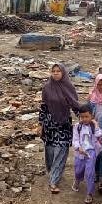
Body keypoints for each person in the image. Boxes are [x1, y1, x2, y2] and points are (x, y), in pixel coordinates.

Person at [38, 63, 80, 193]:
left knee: (61, 153)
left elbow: (75, 105)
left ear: (63, 73)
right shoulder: (47, 88)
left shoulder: (69, 87)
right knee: (50, 153)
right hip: (50, 125)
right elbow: (43, 106)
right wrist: (40, 125)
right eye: (53, 71)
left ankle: (53, 182)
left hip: (63, 126)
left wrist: (86, 121)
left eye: (58, 71)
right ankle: (53, 173)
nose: (55, 73)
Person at [72, 104, 102, 204]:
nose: (84, 119)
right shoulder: (77, 127)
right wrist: (78, 148)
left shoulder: (94, 126)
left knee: (90, 172)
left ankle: (90, 193)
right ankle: (77, 179)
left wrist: (96, 125)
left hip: (91, 152)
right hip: (80, 152)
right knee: (78, 170)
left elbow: (99, 135)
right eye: (82, 117)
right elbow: (75, 139)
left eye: (87, 116)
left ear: (91, 116)